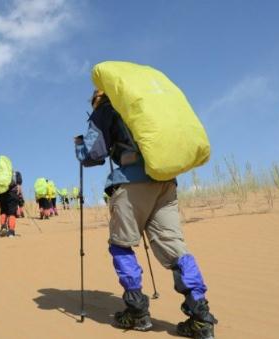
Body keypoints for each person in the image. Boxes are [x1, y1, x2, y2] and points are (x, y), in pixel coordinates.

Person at [74, 90, 217, 338]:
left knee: (122, 245)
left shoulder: (106, 108)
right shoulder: (146, 104)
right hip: (165, 182)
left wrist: (79, 146)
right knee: (175, 249)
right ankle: (200, 317)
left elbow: (94, 154)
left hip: (132, 183)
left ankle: (137, 313)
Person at [0, 170, 22, 237]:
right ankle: (11, 231)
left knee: (3, 211)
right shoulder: (15, 173)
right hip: (12, 195)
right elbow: (19, 183)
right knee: (12, 213)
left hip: (1, 195)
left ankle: (3, 226)